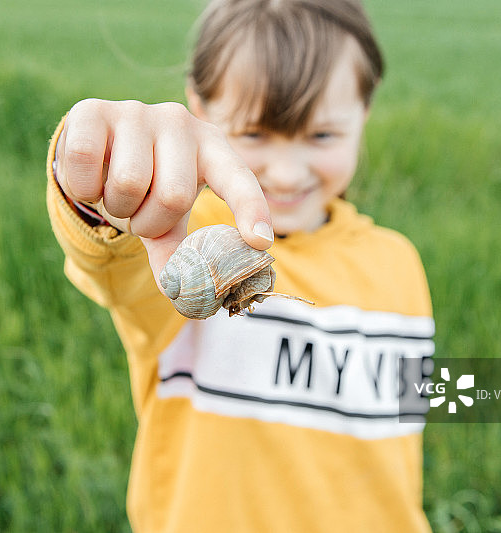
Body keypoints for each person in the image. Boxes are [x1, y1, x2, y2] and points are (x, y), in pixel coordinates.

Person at [46, 0, 435, 531]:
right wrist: (100, 170)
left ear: (364, 111)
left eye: (321, 135)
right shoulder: (179, 231)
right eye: (253, 135)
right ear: (198, 112)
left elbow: (396, 449)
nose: (286, 170)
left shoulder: (398, 262)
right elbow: (108, 242)